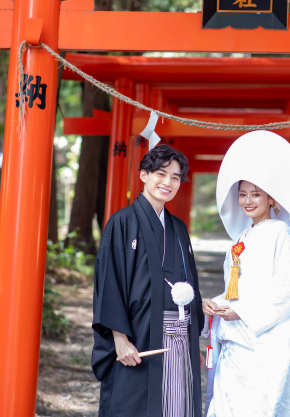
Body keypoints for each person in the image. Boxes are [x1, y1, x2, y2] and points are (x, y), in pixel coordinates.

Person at [202, 130, 290, 417]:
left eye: (256, 194)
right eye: (242, 194)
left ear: (271, 199)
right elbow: (235, 290)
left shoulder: (280, 235)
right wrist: (215, 304)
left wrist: (243, 312)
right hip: (235, 341)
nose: (248, 201)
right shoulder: (241, 238)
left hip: (260, 341)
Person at [91, 144, 204, 417]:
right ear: (143, 175)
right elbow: (110, 282)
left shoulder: (178, 228)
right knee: (132, 404)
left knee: (176, 405)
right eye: (160, 174)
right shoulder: (122, 222)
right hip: (139, 333)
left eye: (175, 177)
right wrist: (119, 338)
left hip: (177, 338)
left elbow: (190, 284)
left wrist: (192, 343)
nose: (167, 182)